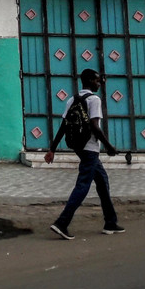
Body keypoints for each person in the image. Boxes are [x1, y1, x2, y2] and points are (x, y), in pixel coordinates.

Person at [44, 68, 124, 239]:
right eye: (96, 81)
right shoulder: (94, 100)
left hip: (79, 146)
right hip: (90, 149)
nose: (99, 84)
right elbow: (95, 126)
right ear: (88, 81)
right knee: (83, 185)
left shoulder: (72, 99)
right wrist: (109, 146)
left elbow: (63, 126)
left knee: (102, 181)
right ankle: (62, 223)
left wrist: (52, 149)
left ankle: (110, 222)